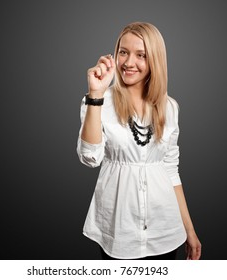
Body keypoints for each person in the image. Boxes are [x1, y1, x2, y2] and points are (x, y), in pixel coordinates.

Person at [77, 22, 201, 260]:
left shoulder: (169, 107)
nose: (129, 62)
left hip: (165, 232)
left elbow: (171, 171)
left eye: (141, 55)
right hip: (119, 233)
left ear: (155, 59)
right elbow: (90, 157)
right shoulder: (100, 101)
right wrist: (95, 95)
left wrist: (190, 230)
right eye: (123, 52)